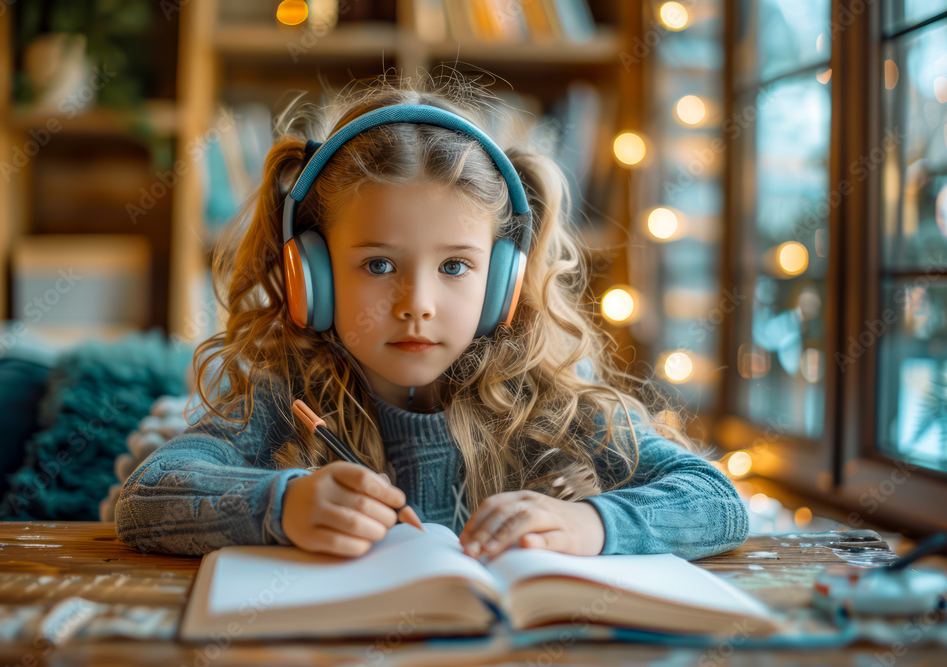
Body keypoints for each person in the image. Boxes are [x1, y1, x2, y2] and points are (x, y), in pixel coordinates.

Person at [115, 69, 748, 561]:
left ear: (503, 283)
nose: (416, 303)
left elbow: (717, 500)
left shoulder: (544, 399)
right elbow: (146, 496)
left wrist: (590, 525)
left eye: (454, 267)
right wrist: (282, 504)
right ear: (313, 274)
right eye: (379, 264)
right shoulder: (286, 394)